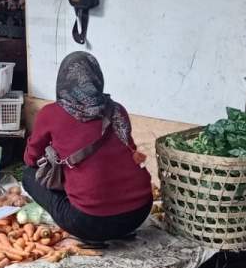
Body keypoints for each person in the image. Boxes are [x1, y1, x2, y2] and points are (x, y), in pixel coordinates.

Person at [22, 52, 153, 244]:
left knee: (28, 175)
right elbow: (127, 151)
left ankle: (85, 226)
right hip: (139, 212)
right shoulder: (117, 110)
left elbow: (30, 159)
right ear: (97, 78)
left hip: (89, 222)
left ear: (63, 81)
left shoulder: (50, 114)